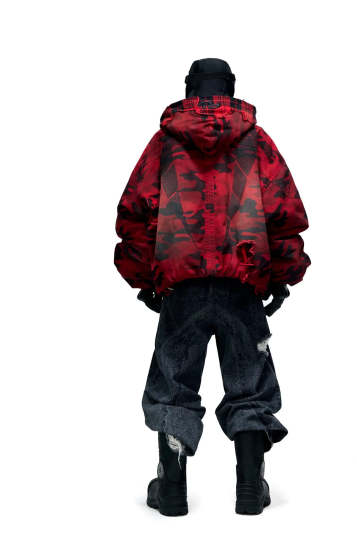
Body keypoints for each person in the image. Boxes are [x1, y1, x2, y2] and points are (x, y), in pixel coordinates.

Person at [114, 58, 311, 516]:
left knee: (173, 381)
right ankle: (250, 487)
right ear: (230, 89)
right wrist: (281, 276)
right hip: (242, 283)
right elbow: (282, 212)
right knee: (250, 381)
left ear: (189, 90)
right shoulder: (257, 142)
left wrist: (145, 279)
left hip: (181, 285)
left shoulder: (163, 145)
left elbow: (135, 215)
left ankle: (171, 488)